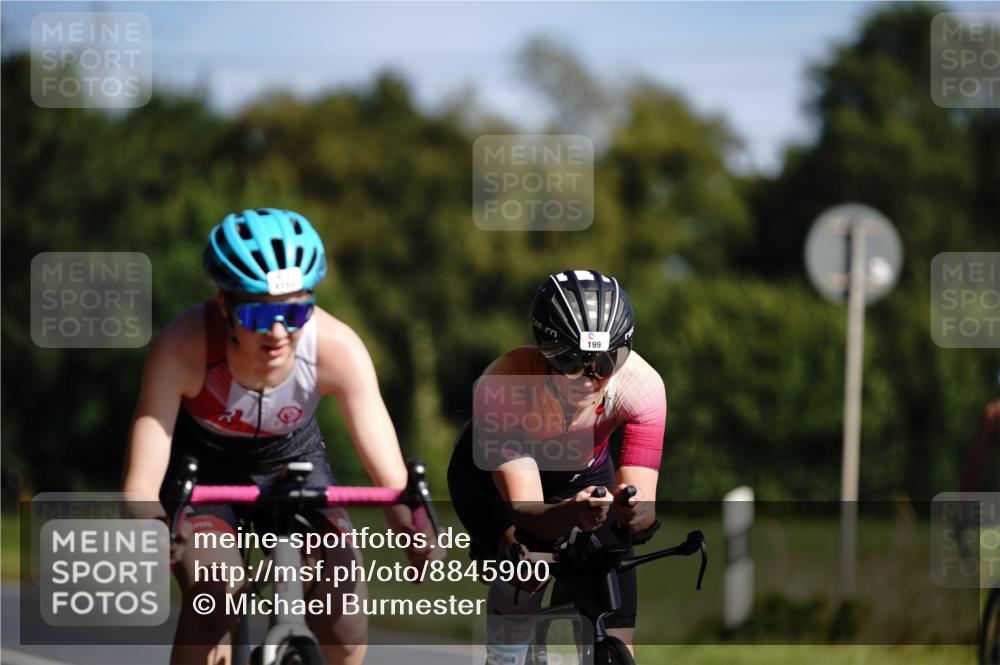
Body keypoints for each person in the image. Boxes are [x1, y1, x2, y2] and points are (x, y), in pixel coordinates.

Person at [121, 208, 439, 665]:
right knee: (214, 600)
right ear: (224, 306)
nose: (278, 333)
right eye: (257, 314)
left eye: (294, 312)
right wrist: (153, 530)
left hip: (292, 457)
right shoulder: (182, 347)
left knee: (345, 620)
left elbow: (389, 477)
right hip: (205, 467)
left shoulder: (337, 347)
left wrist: (416, 531)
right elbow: (140, 485)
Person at [447, 269, 667, 664]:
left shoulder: (642, 386)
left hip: (584, 472)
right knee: (528, 564)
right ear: (544, 349)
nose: (588, 376)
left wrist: (632, 511)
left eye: (605, 361)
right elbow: (527, 513)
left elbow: (641, 513)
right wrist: (570, 513)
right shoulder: (504, 382)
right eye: (569, 359)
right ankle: (505, 657)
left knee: (612, 571)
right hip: (489, 481)